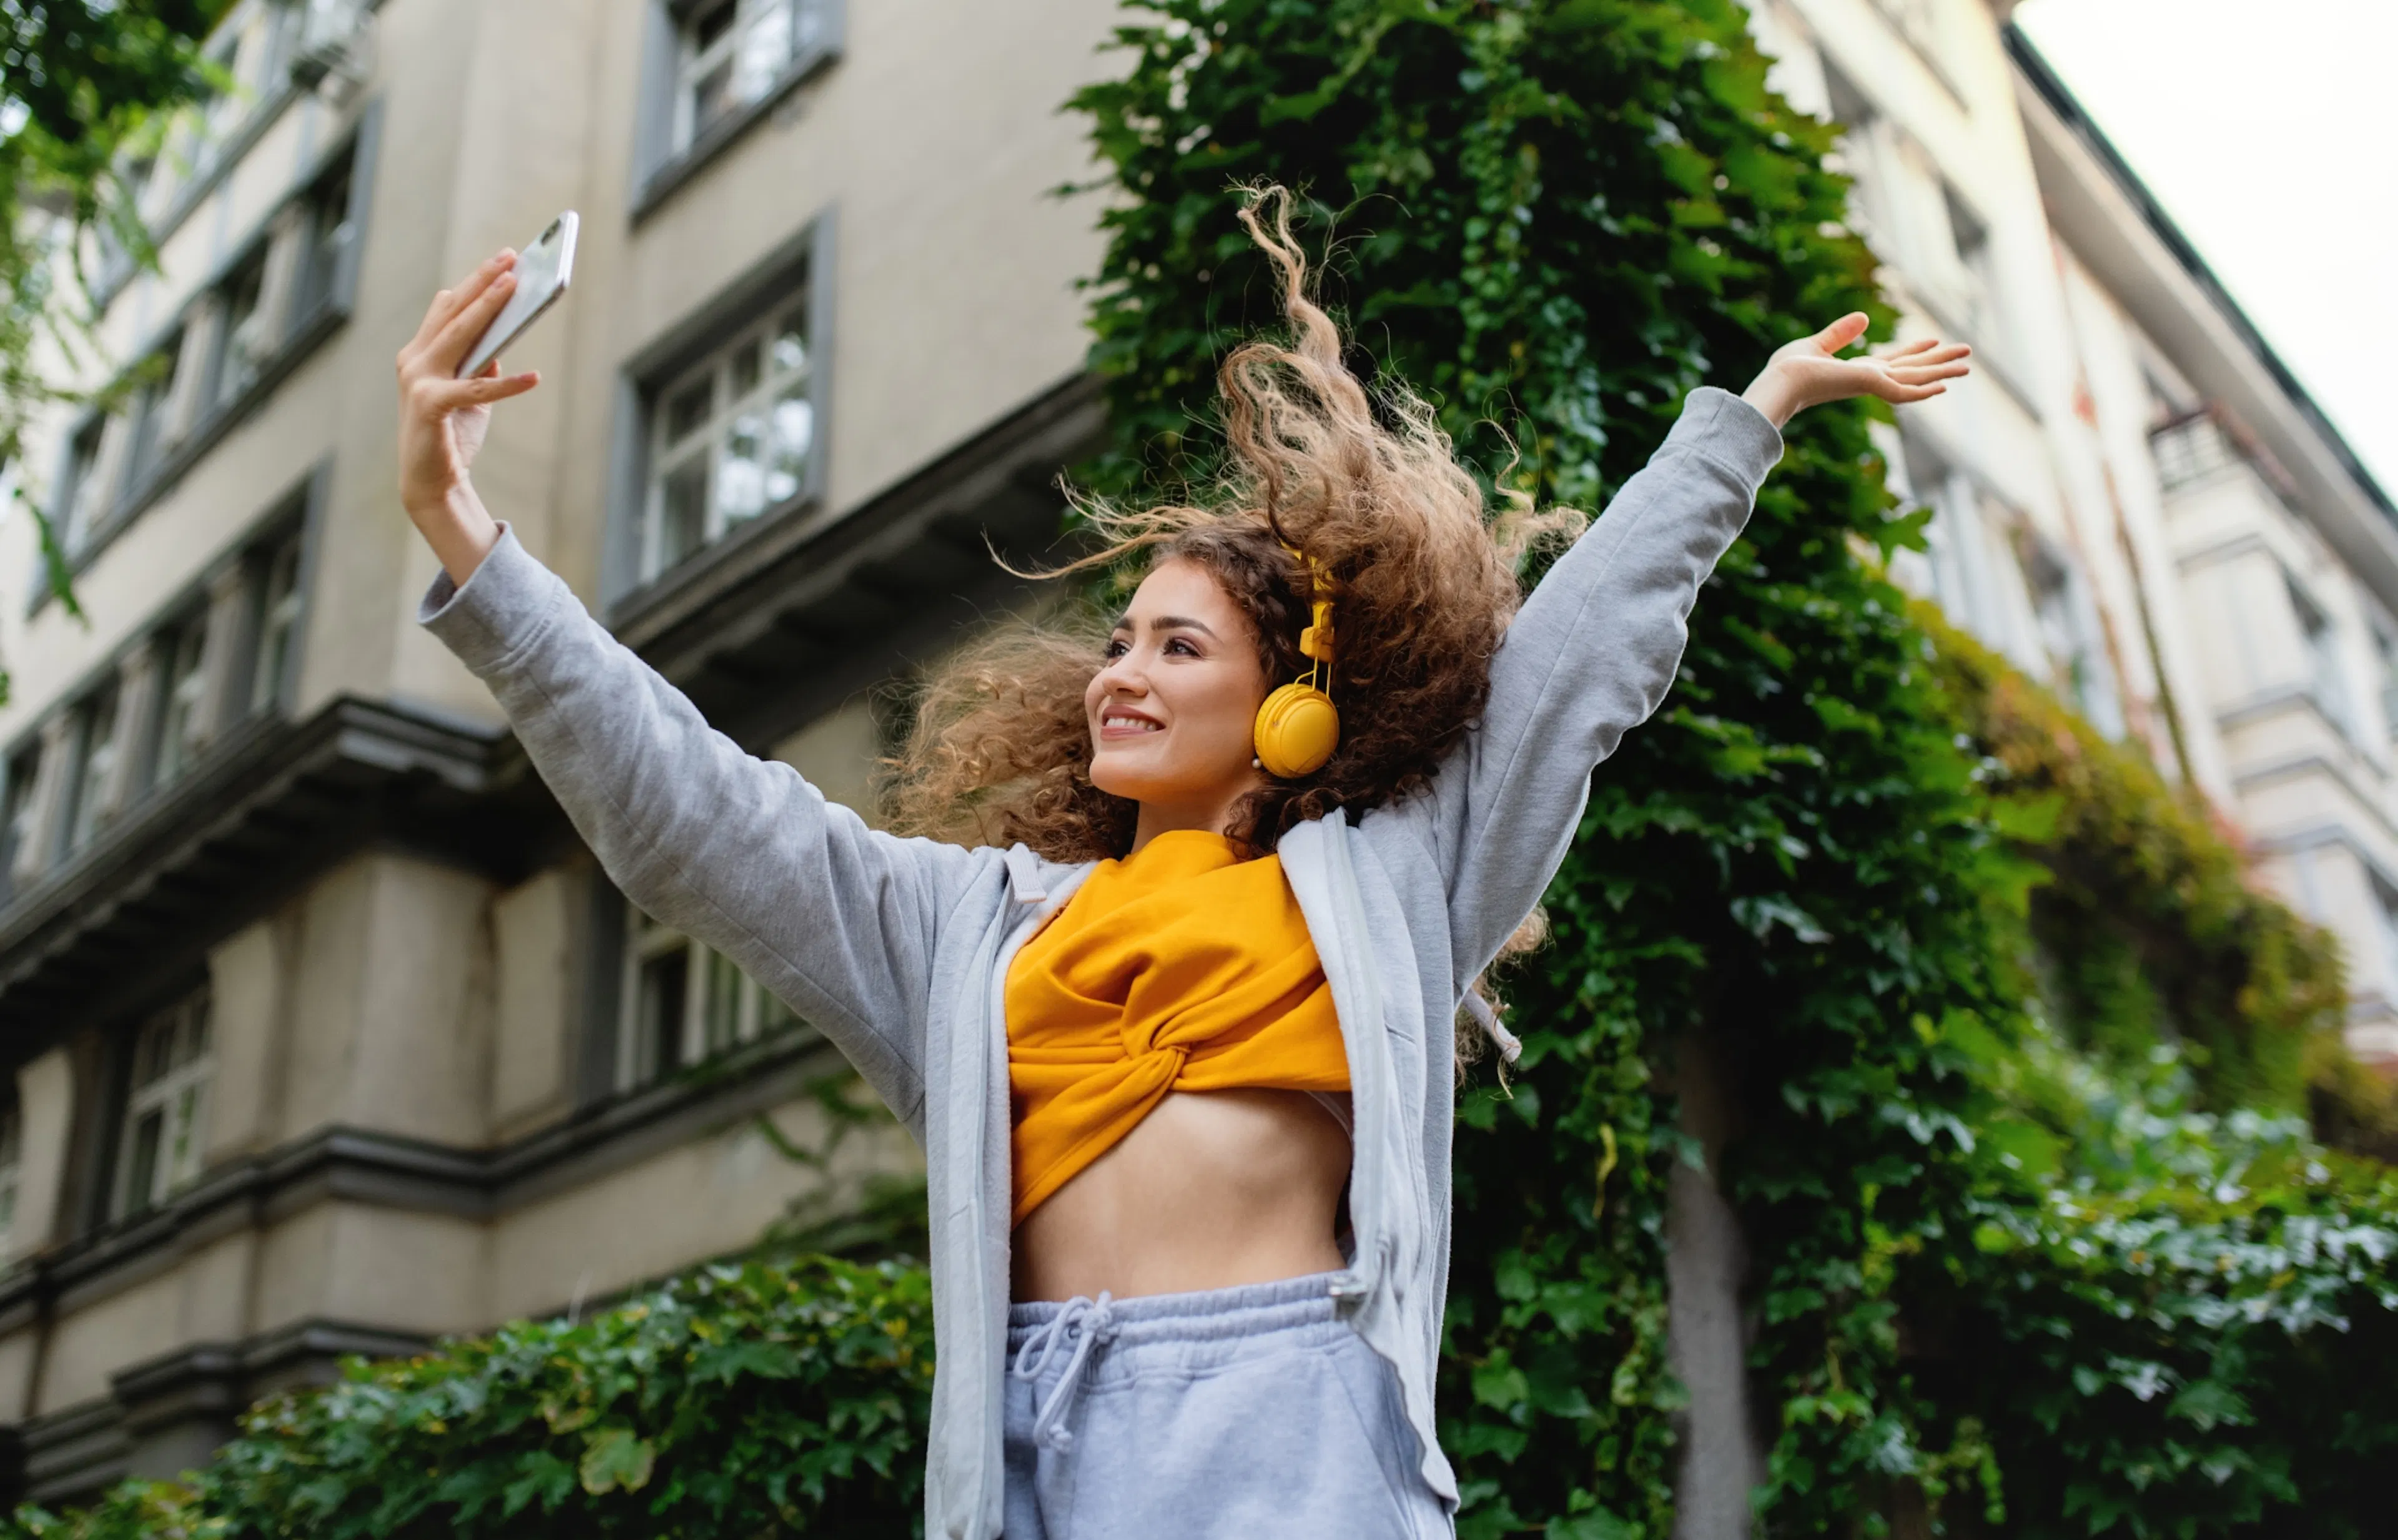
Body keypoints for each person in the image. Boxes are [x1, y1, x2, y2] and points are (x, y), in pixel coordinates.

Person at [396, 189, 1968, 1540]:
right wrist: (465, 537)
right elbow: (699, 815)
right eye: (1117, 641)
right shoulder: (966, 932)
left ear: (1290, 697)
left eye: (1176, 643)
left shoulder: (1391, 884)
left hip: (1292, 1419)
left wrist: (1748, 419)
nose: (1118, 675)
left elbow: (1574, 671)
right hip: (1032, 1434)